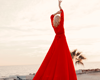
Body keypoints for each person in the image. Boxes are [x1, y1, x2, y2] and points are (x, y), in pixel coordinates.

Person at [33, 0, 77, 80]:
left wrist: (55, 13)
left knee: (54, 59)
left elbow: (51, 16)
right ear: (60, 20)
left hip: (56, 41)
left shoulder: (54, 26)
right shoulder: (61, 24)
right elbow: (62, 13)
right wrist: (59, 6)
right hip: (62, 42)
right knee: (63, 59)